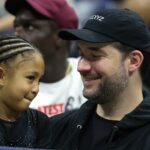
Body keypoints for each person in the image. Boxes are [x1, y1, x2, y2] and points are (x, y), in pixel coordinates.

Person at [48, 9, 150, 150]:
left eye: (95, 55)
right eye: (81, 54)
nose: (81, 66)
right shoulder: (57, 128)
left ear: (133, 61)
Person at [4, 0, 86, 117]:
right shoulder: (7, 90)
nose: (17, 35)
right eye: (16, 27)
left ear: (60, 37)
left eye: (29, 27)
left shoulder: (89, 75)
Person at [0, 35, 51, 148]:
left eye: (39, 81)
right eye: (30, 78)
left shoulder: (40, 122)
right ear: (1, 76)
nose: (36, 89)